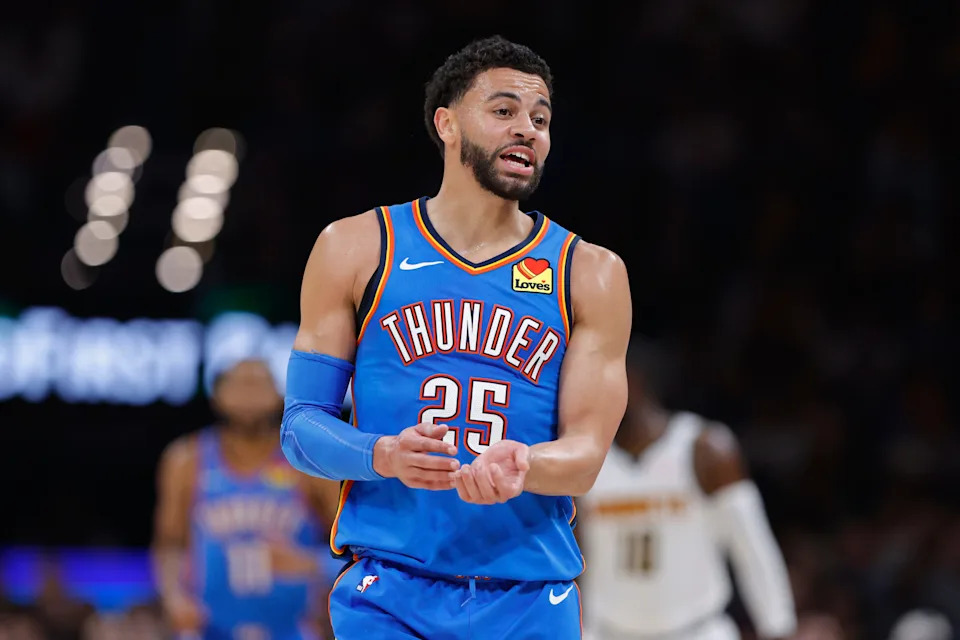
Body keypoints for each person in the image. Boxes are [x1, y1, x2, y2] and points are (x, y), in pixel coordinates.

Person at [280, 35, 632, 639]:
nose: (527, 129)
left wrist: (524, 463)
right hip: (388, 591)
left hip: (528, 598)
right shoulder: (357, 247)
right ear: (446, 124)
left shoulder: (590, 271)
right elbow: (300, 428)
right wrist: (382, 454)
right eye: (504, 111)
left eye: (540, 119)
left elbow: (585, 457)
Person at [579, 340, 797, 640]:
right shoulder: (585, 459)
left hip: (697, 630)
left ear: (633, 379)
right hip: (608, 631)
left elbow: (753, 547)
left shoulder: (705, 448)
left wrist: (778, 627)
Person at [152, 358, 341, 640]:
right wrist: (173, 597)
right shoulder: (187, 459)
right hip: (208, 629)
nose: (249, 395)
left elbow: (349, 545)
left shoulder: (306, 462)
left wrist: (311, 563)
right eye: (240, 384)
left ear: (280, 395)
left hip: (293, 629)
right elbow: (169, 543)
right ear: (217, 395)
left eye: (258, 384)